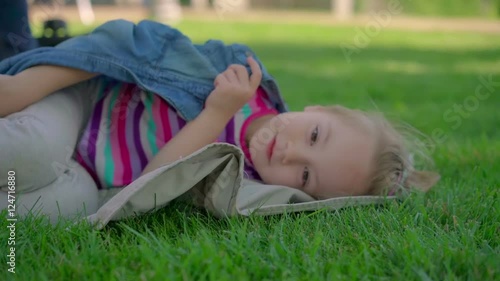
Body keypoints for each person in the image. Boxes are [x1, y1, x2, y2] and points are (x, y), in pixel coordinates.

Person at [0, 19, 439, 221]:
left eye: (304, 174)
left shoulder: (236, 179)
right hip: (84, 101)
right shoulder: (238, 79)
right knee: (33, 147)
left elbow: (152, 181)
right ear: (316, 110)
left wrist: (215, 117)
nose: (289, 151)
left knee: (56, 210)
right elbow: (140, 44)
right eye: (314, 135)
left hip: (90, 176)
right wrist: (35, 83)